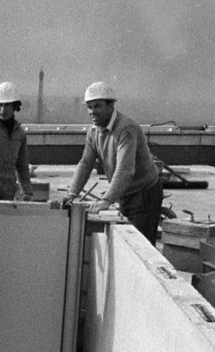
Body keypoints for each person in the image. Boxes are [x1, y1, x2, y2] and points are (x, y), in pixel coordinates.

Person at [61, 82, 161, 244]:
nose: (92, 112)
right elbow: (85, 163)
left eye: (97, 106)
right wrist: (72, 193)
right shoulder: (93, 131)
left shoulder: (126, 129)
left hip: (144, 193)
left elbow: (125, 170)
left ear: (110, 106)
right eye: (89, 107)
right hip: (125, 193)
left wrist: (106, 200)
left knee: (141, 245)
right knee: (127, 241)